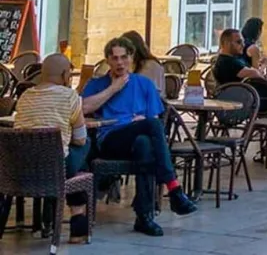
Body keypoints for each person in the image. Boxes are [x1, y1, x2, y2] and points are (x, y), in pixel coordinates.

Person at [81, 38, 199, 236]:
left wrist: (143, 122)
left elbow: (152, 118)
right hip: (109, 139)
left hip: (137, 140)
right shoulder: (97, 84)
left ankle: (144, 217)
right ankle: (173, 188)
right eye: (115, 58)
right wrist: (113, 88)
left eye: (124, 57)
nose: (120, 62)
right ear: (108, 60)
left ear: (131, 58)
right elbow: (83, 108)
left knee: (145, 145)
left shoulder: (144, 84)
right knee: (151, 128)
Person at [16, 53, 91, 241]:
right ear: (66, 75)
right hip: (56, 168)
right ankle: (78, 224)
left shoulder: (24, 97)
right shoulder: (70, 96)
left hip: (21, 169)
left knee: (71, 162)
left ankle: (51, 221)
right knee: (84, 151)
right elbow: (81, 139)